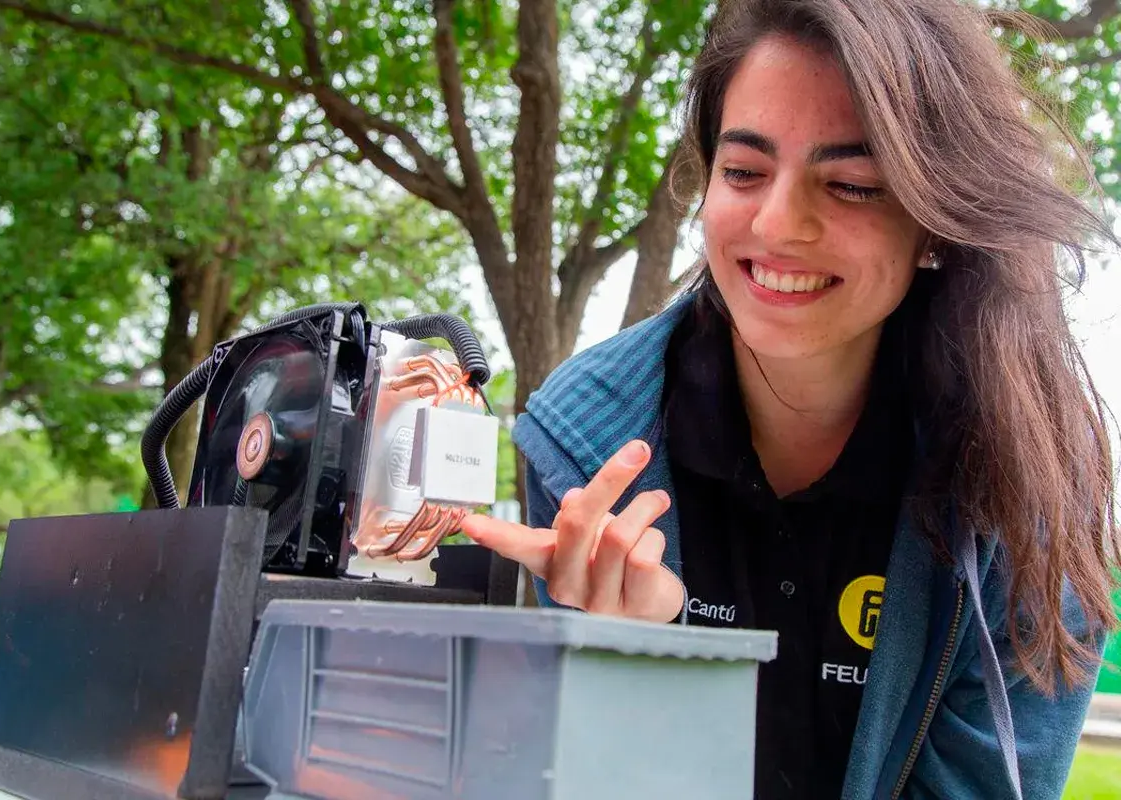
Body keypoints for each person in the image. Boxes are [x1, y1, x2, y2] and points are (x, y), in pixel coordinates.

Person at [460, 0, 1121, 798]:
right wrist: (632, 680)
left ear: (939, 222)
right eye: (743, 172)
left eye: (850, 184)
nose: (777, 225)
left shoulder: (1030, 483)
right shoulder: (583, 450)